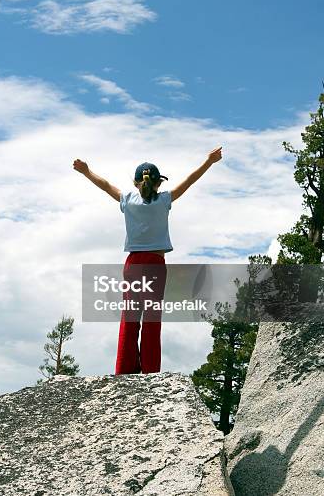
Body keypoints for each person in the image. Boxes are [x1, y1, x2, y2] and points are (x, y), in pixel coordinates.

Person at [73, 146, 222, 374]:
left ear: (136, 183)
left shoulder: (128, 199)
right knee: (152, 319)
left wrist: (86, 171)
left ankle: (124, 369)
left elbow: (105, 185)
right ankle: (150, 370)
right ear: (158, 183)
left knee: (129, 317)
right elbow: (190, 180)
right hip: (155, 264)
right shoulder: (164, 200)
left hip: (132, 265)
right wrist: (209, 161)